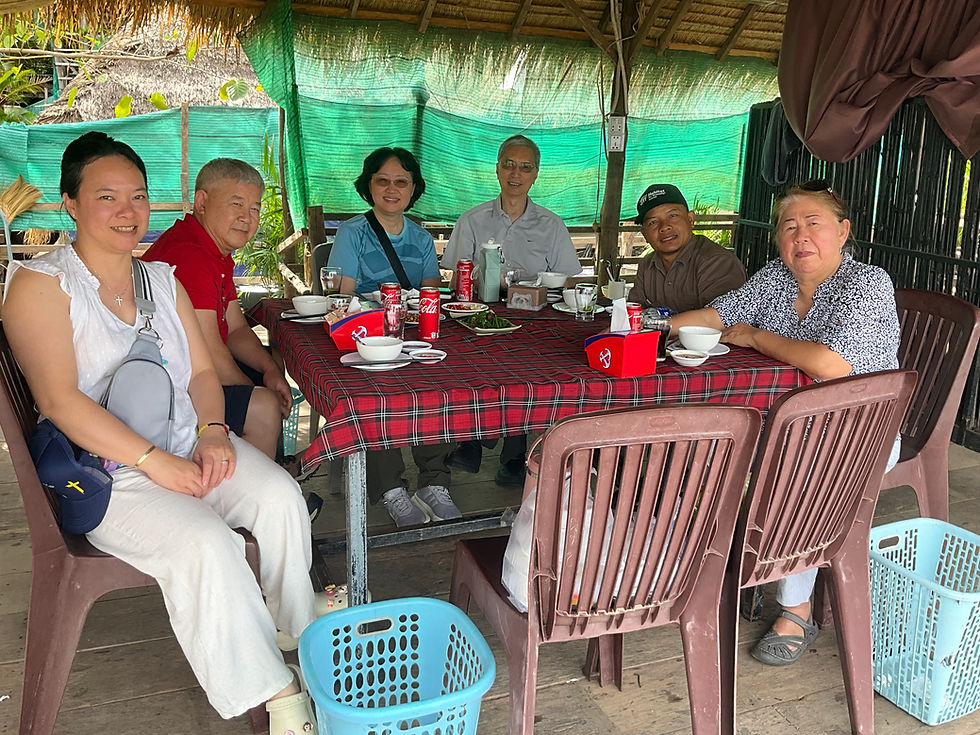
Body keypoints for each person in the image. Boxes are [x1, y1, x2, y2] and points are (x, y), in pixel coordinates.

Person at [1, 132, 319, 733]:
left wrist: (215, 432)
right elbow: (59, 401)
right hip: (105, 474)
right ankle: (277, 699)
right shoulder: (41, 287)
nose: (128, 211)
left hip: (183, 443)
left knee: (279, 496)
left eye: (139, 196)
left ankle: (299, 635)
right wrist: (154, 461)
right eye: (107, 196)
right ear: (70, 203)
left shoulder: (161, 280)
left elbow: (202, 371)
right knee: (209, 544)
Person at [671, 179, 901, 666]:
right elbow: (719, 315)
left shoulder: (866, 283)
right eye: (789, 227)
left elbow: (832, 364)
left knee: (796, 470)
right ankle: (722, 566)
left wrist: (755, 337)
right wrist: (647, 322)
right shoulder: (776, 278)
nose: (800, 236)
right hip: (783, 422)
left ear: (843, 231)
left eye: (812, 224)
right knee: (702, 445)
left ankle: (795, 607)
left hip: (858, 429)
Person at [327, 146, 460, 527]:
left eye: (401, 181)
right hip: (369, 335)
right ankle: (390, 487)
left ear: (413, 188)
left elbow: (430, 294)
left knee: (439, 382)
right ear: (368, 186)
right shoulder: (353, 232)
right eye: (382, 180)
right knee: (375, 393)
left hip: (413, 332)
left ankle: (434, 482)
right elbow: (343, 296)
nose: (391, 188)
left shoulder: (419, 238)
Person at [440, 134, 580, 486]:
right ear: (497, 169)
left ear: (536, 175)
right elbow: (456, 274)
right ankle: (470, 439)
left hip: (536, 320)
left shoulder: (552, 224)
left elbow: (569, 282)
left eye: (525, 167)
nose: (515, 173)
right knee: (468, 357)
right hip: (478, 316)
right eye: (509, 165)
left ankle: (514, 456)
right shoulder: (471, 220)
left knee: (528, 372)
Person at [141, 159, 291, 459]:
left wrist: (270, 370)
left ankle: (273, 467)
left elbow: (235, 329)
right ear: (202, 202)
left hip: (187, 372)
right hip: (165, 388)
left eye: (254, 208)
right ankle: (251, 495)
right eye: (236, 204)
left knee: (270, 365)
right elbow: (208, 350)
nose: (247, 217)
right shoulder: (189, 254)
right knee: (263, 406)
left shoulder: (213, 250)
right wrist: (256, 391)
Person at [627, 183, 746, 313]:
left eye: (673, 216)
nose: (664, 227)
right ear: (645, 234)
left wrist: (657, 323)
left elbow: (722, 319)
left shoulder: (718, 262)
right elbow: (633, 313)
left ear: (690, 219)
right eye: (653, 222)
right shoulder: (647, 265)